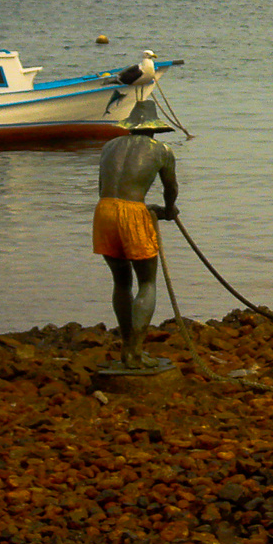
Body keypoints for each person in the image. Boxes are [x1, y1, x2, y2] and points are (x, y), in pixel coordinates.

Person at [92, 100, 179, 368]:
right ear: (154, 129)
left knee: (121, 281)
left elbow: (101, 187)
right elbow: (170, 189)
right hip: (132, 213)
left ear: (130, 127)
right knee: (147, 283)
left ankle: (126, 350)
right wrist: (168, 210)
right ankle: (135, 352)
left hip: (104, 211)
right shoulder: (162, 151)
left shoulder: (108, 147)